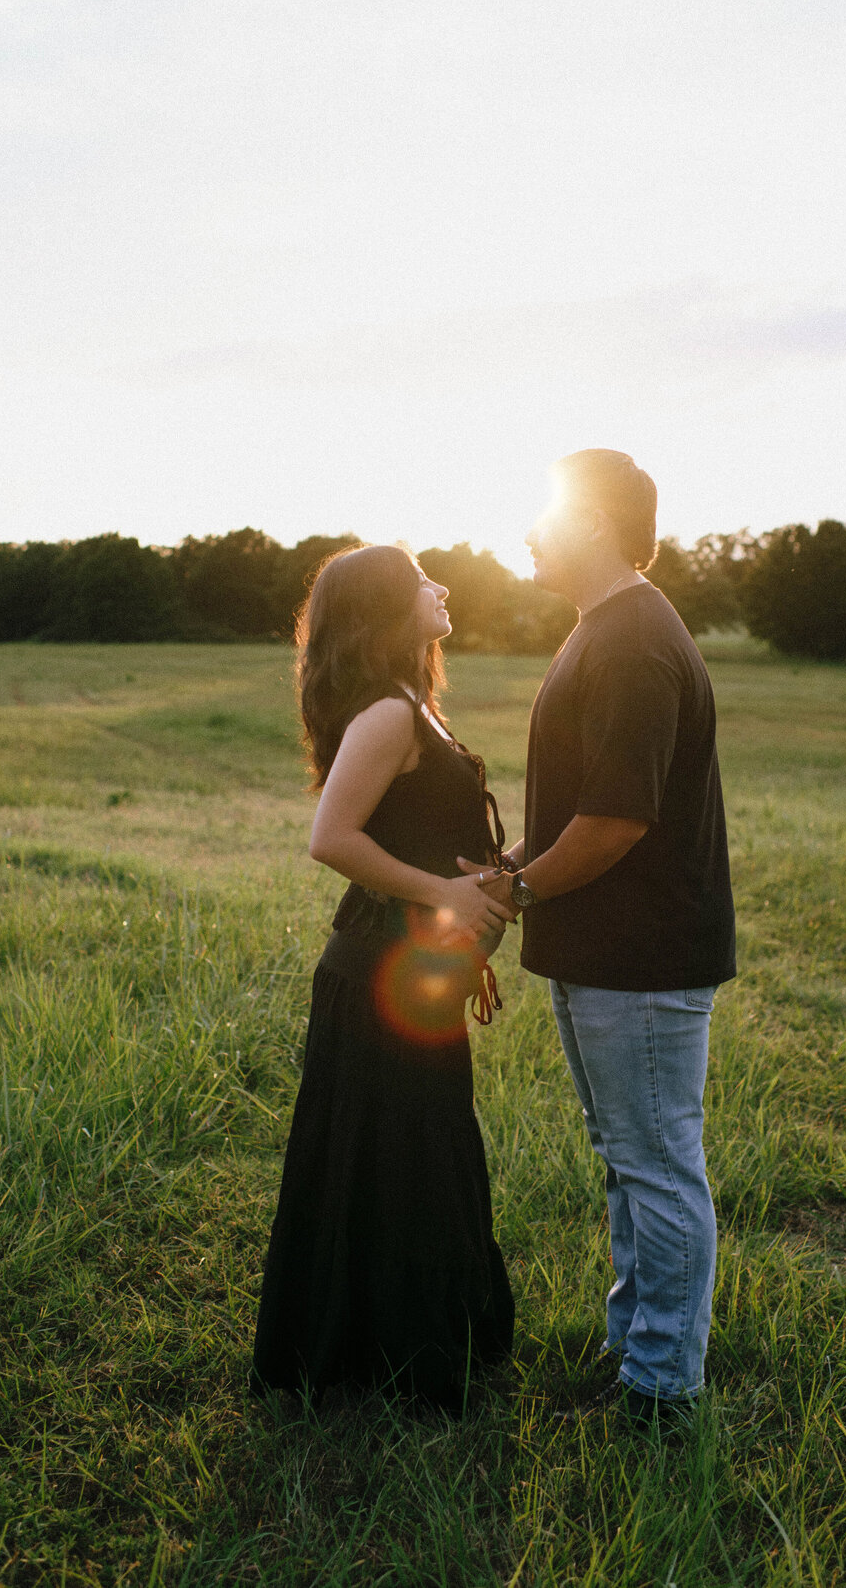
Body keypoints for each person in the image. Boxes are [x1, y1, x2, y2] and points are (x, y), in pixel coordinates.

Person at [463, 450, 734, 1430]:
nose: (529, 530)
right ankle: (635, 1352)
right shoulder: (604, 629)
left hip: (644, 956)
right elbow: (582, 806)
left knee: (657, 1159)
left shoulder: (629, 643)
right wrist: (503, 875)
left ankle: (662, 1389)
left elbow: (619, 825)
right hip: (605, 955)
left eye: (546, 513)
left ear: (594, 524)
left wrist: (518, 891)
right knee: (630, 1156)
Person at [251, 544, 515, 1413]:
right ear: (387, 611)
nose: (440, 588)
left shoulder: (415, 704)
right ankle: (384, 1357)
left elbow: (414, 836)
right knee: (392, 1160)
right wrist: (446, 892)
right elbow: (333, 838)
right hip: (374, 973)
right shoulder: (387, 716)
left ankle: (411, 1345)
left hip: (412, 968)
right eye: (421, 582)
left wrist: (491, 878)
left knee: (421, 1155)